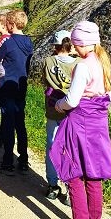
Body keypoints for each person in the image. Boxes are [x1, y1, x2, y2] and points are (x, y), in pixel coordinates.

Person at [51, 21, 111, 219]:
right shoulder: (106, 65)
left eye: (75, 44)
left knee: (73, 173)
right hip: (99, 124)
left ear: (81, 43)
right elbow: (110, 97)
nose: (75, 48)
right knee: (93, 176)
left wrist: (58, 104)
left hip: (79, 124)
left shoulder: (83, 66)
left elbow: (72, 100)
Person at [0, 9, 33, 175]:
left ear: (11, 24)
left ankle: (7, 160)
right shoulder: (29, 42)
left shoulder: (8, 43)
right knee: (20, 123)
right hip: (21, 86)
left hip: (7, 86)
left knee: (8, 123)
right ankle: (23, 159)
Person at [43, 29, 79, 205]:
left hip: (52, 108)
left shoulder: (48, 61)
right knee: (70, 149)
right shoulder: (79, 64)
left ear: (55, 46)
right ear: (70, 45)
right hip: (71, 112)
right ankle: (70, 187)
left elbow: (45, 80)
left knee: (52, 145)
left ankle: (52, 185)